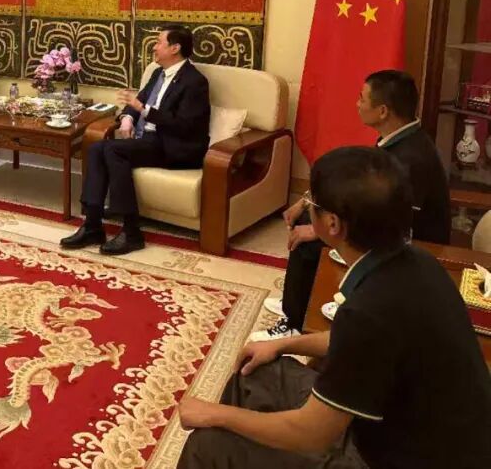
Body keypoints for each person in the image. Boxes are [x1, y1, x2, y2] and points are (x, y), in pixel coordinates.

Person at [178, 146, 491, 469]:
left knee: (207, 445)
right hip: (422, 435)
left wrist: (217, 415)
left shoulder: (370, 310)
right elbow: (354, 344)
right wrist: (282, 344)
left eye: (311, 202)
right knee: (256, 372)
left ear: (332, 224)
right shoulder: (419, 262)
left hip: (391, 458)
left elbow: (312, 434)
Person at [255, 69, 451, 341]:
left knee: (309, 239)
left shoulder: (411, 159)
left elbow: (386, 221)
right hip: (388, 227)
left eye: (362, 98)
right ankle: (298, 300)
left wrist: (316, 231)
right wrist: (306, 201)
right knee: (308, 219)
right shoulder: (400, 137)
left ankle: (295, 321)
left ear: (382, 111)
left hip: (412, 244)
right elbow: (353, 183)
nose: (357, 104)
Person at [61, 25, 209, 255]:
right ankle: (92, 225)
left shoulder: (195, 81)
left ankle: (131, 231)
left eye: (159, 42)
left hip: (175, 145)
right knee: (97, 148)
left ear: (175, 48)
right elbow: (137, 102)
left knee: (112, 150)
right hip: (149, 140)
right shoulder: (158, 73)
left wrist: (143, 110)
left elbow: (184, 125)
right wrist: (128, 118)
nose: (154, 47)